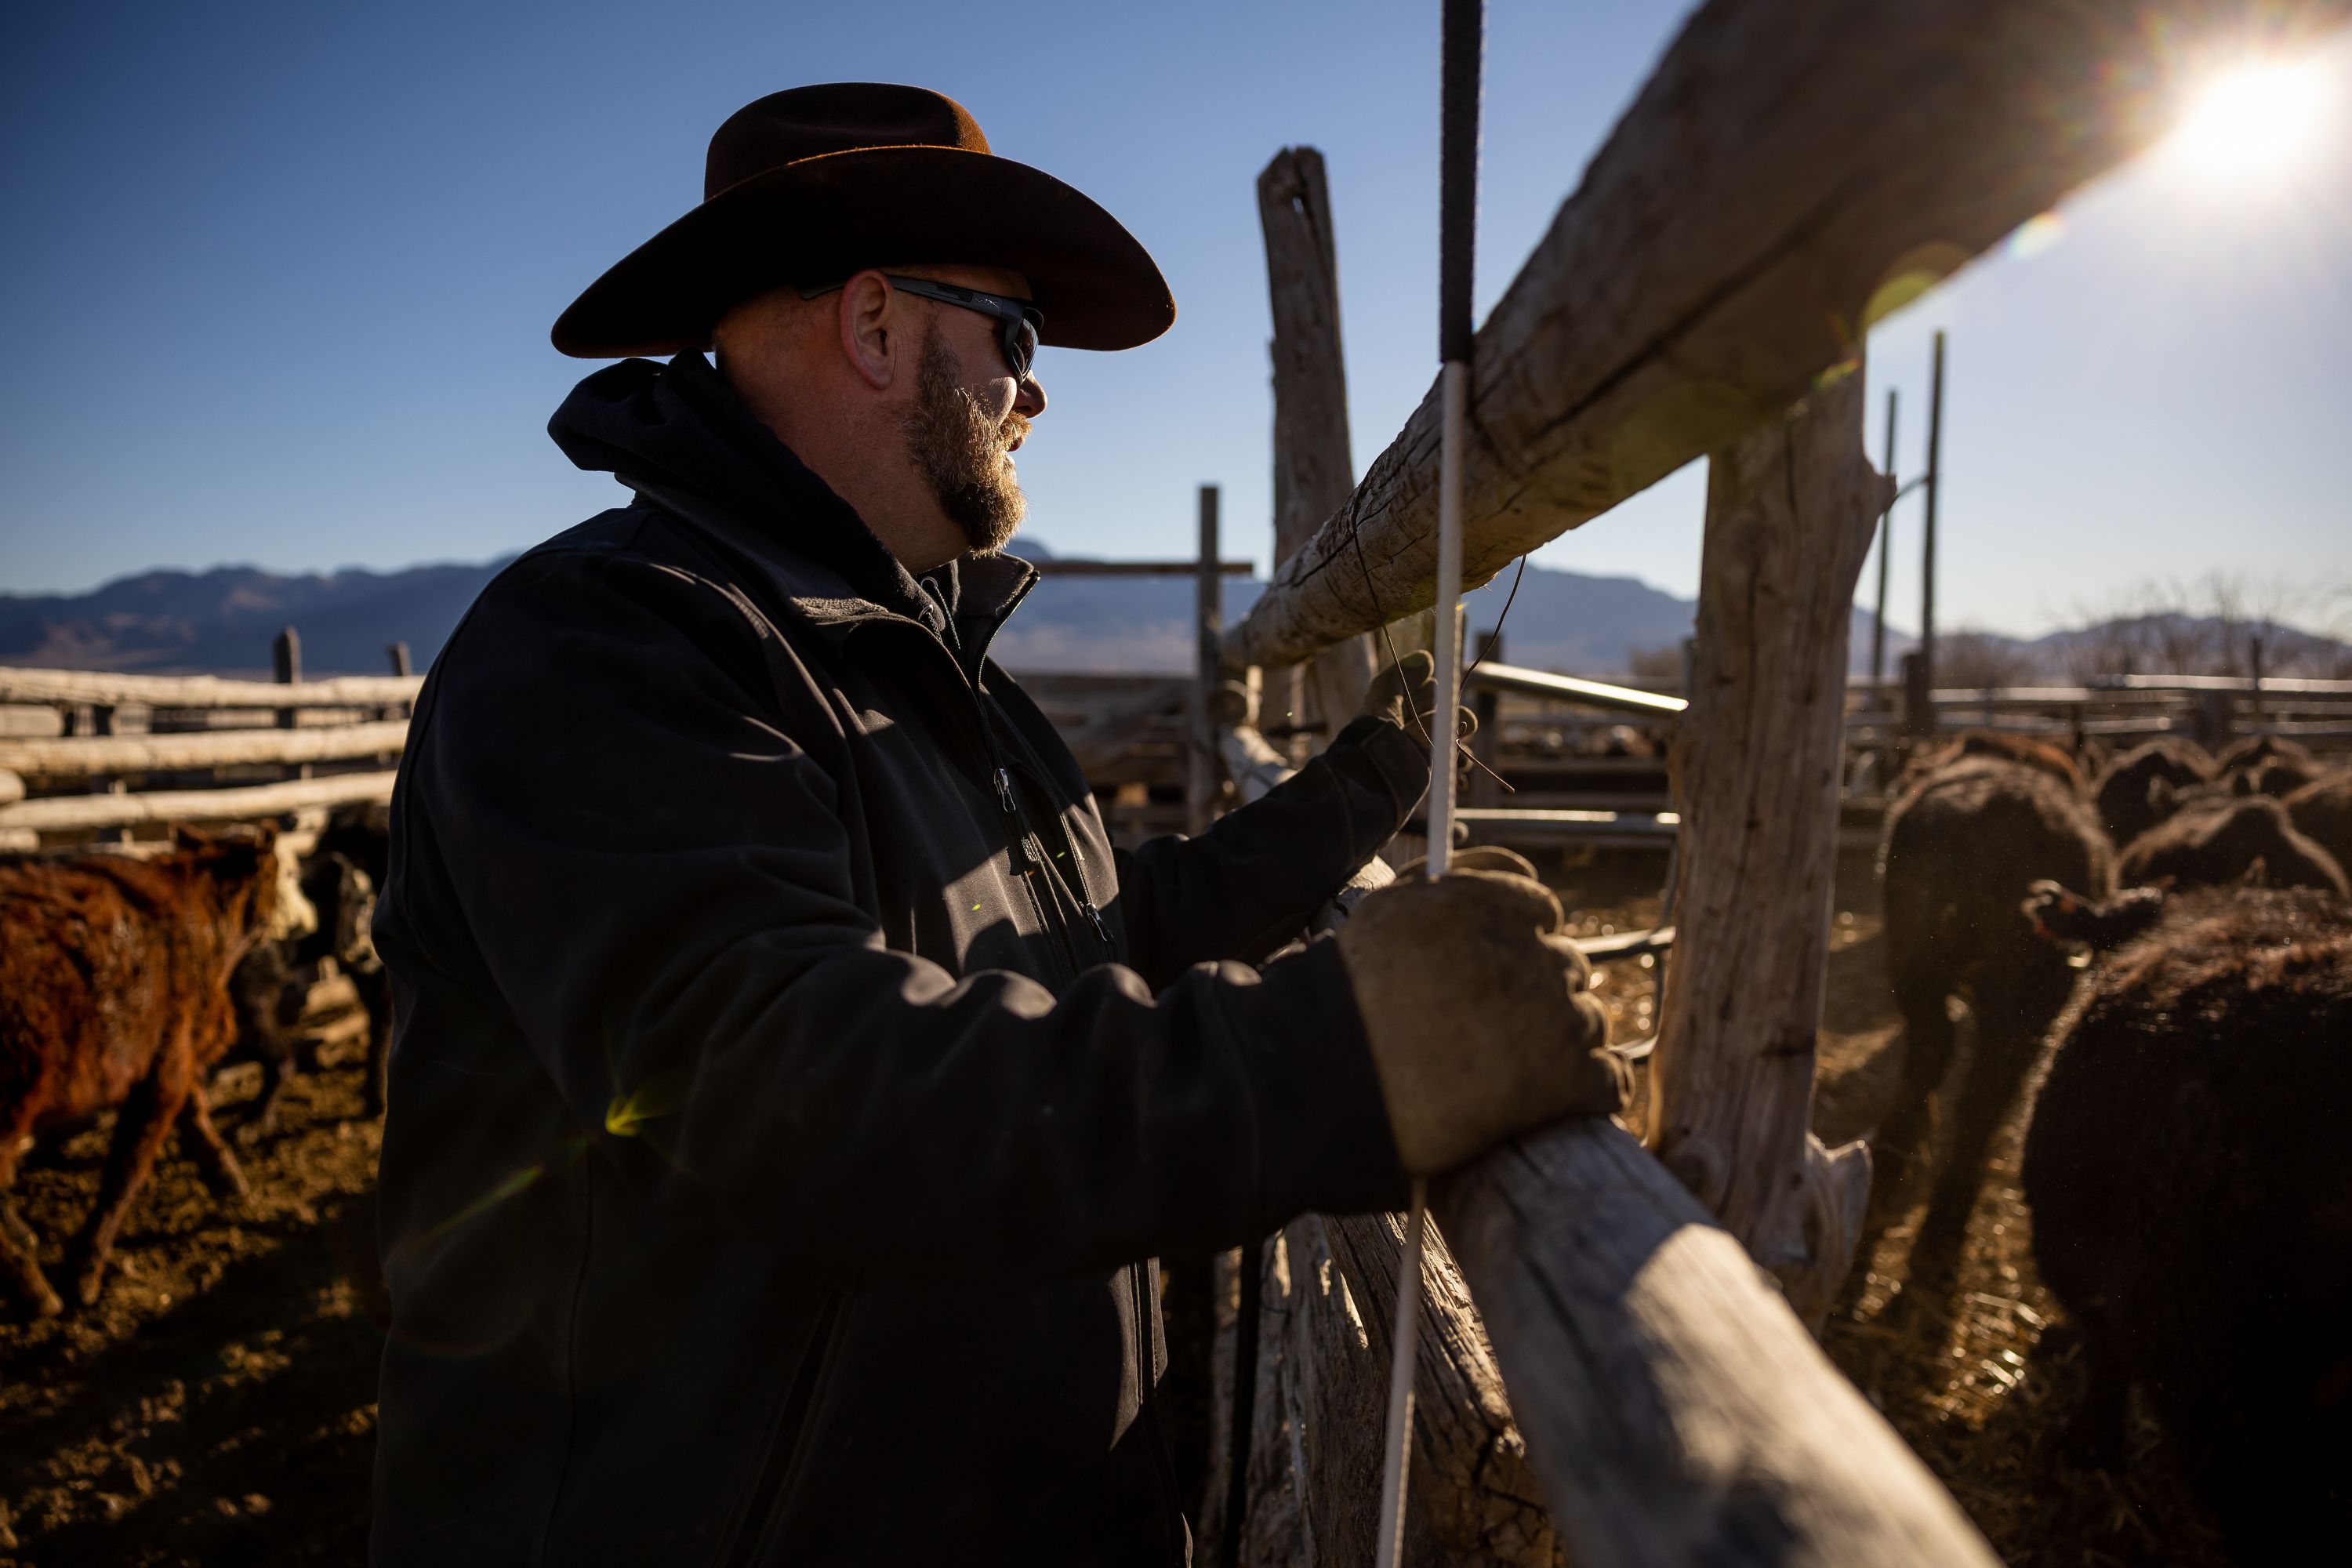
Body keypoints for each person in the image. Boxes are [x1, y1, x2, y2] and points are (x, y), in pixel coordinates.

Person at [368, 82, 1622, 1565]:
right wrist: (1346, 1061)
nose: (1037, 392)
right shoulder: (608, 651)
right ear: (879, 326)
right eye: (1016, 339)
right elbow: (791, 1085)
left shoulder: (921, 662)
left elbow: (1087, 939)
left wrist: (1361, 786)